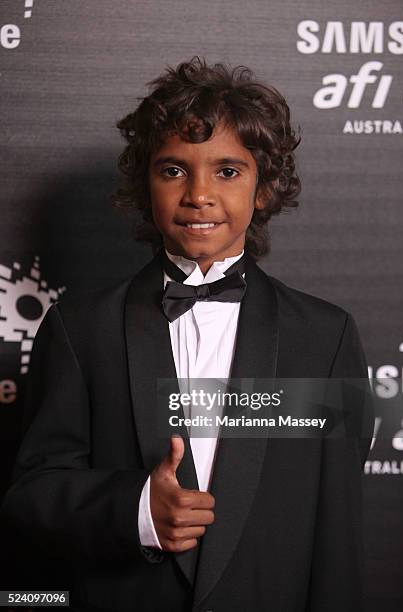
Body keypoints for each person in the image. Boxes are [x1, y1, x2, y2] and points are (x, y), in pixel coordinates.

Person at [0, 57, 374, 612]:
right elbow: (32, 495)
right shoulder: (81, 329)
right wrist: (137, 507)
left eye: (227, 171)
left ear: (264, 187)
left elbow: (336, 529)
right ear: (144, 182)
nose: (198, 194)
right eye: (173, 170)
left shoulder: (324, 338)